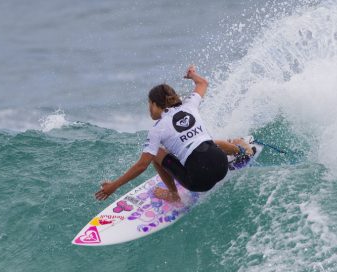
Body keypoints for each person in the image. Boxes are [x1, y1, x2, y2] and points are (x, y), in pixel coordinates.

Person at [95, 65, 252, 203]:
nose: (149, 109)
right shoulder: (190, 105)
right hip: (221, 166)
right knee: (206, 142)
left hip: (199, 182)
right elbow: (203, 83)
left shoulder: (157, 129)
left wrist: (113, 186)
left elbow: (142, 165)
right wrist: (192, 75)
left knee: (156, 152)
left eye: (150, 104)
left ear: (156, 105)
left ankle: (173, 195)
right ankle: (240, 151)